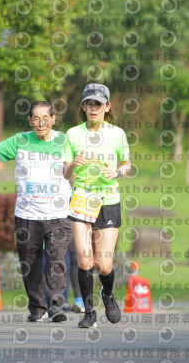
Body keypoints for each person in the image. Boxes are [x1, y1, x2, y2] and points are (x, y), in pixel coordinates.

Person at [0, 101, 73, 322]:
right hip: (27, 215)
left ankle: (56, 306)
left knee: (56, 259)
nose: (41, 122)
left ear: (53, 119)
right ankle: (37, 308)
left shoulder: (65, 141)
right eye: (36, 118)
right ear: (29, 121)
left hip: (58, 213)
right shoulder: (20, 140)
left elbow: (70, 173)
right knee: (29, 262)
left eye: (45, 118)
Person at [63, 84, 132, 328]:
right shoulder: (73, 134)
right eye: (89, 103)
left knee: (104, 264)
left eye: (98, 104)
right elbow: (65, 172)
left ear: (107, 107)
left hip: (108, 200)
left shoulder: (117, 134)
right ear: (83, 106)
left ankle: (108, 294)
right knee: (84, 259)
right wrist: (73, 165)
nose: (93, 108)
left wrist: (117, 171)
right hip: (81, 199)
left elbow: (128, 165)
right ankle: (89, 312)